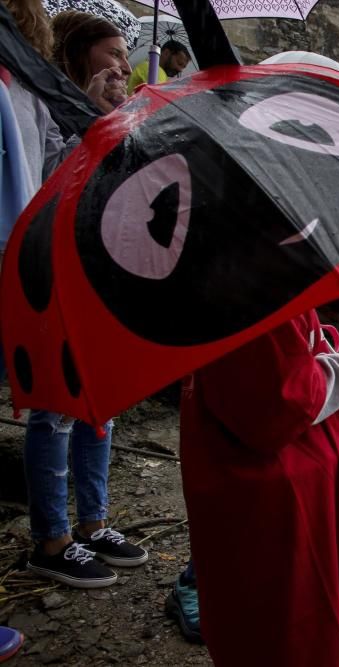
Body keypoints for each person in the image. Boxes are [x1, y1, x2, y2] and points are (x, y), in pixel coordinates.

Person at [8, 6, 143, 589]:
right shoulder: (42, 96)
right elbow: (48, 187)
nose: (122, 65)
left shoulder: (107, 103)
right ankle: (51, 536)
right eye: (112, 53)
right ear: (78, 49)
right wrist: (88, 111)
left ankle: (93, 522)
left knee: (99, 399)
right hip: (49, 269)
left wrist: (123, 119)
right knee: (57, 405)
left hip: (98, 269)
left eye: (124, 56)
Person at [180, 309, 339, 665]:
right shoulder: (252, 291)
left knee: (289, 610)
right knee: (283, 622)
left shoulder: (263, 282)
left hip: (280, 471)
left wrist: (335, 411)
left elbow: (295, 363)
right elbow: (279, 400)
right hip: (268, 498)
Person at [126, 39, 190, 94]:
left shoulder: (147, 67)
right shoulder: (155, 71)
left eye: (183, 67)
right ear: (166, 53)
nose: (180, 70)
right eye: (179, 63)